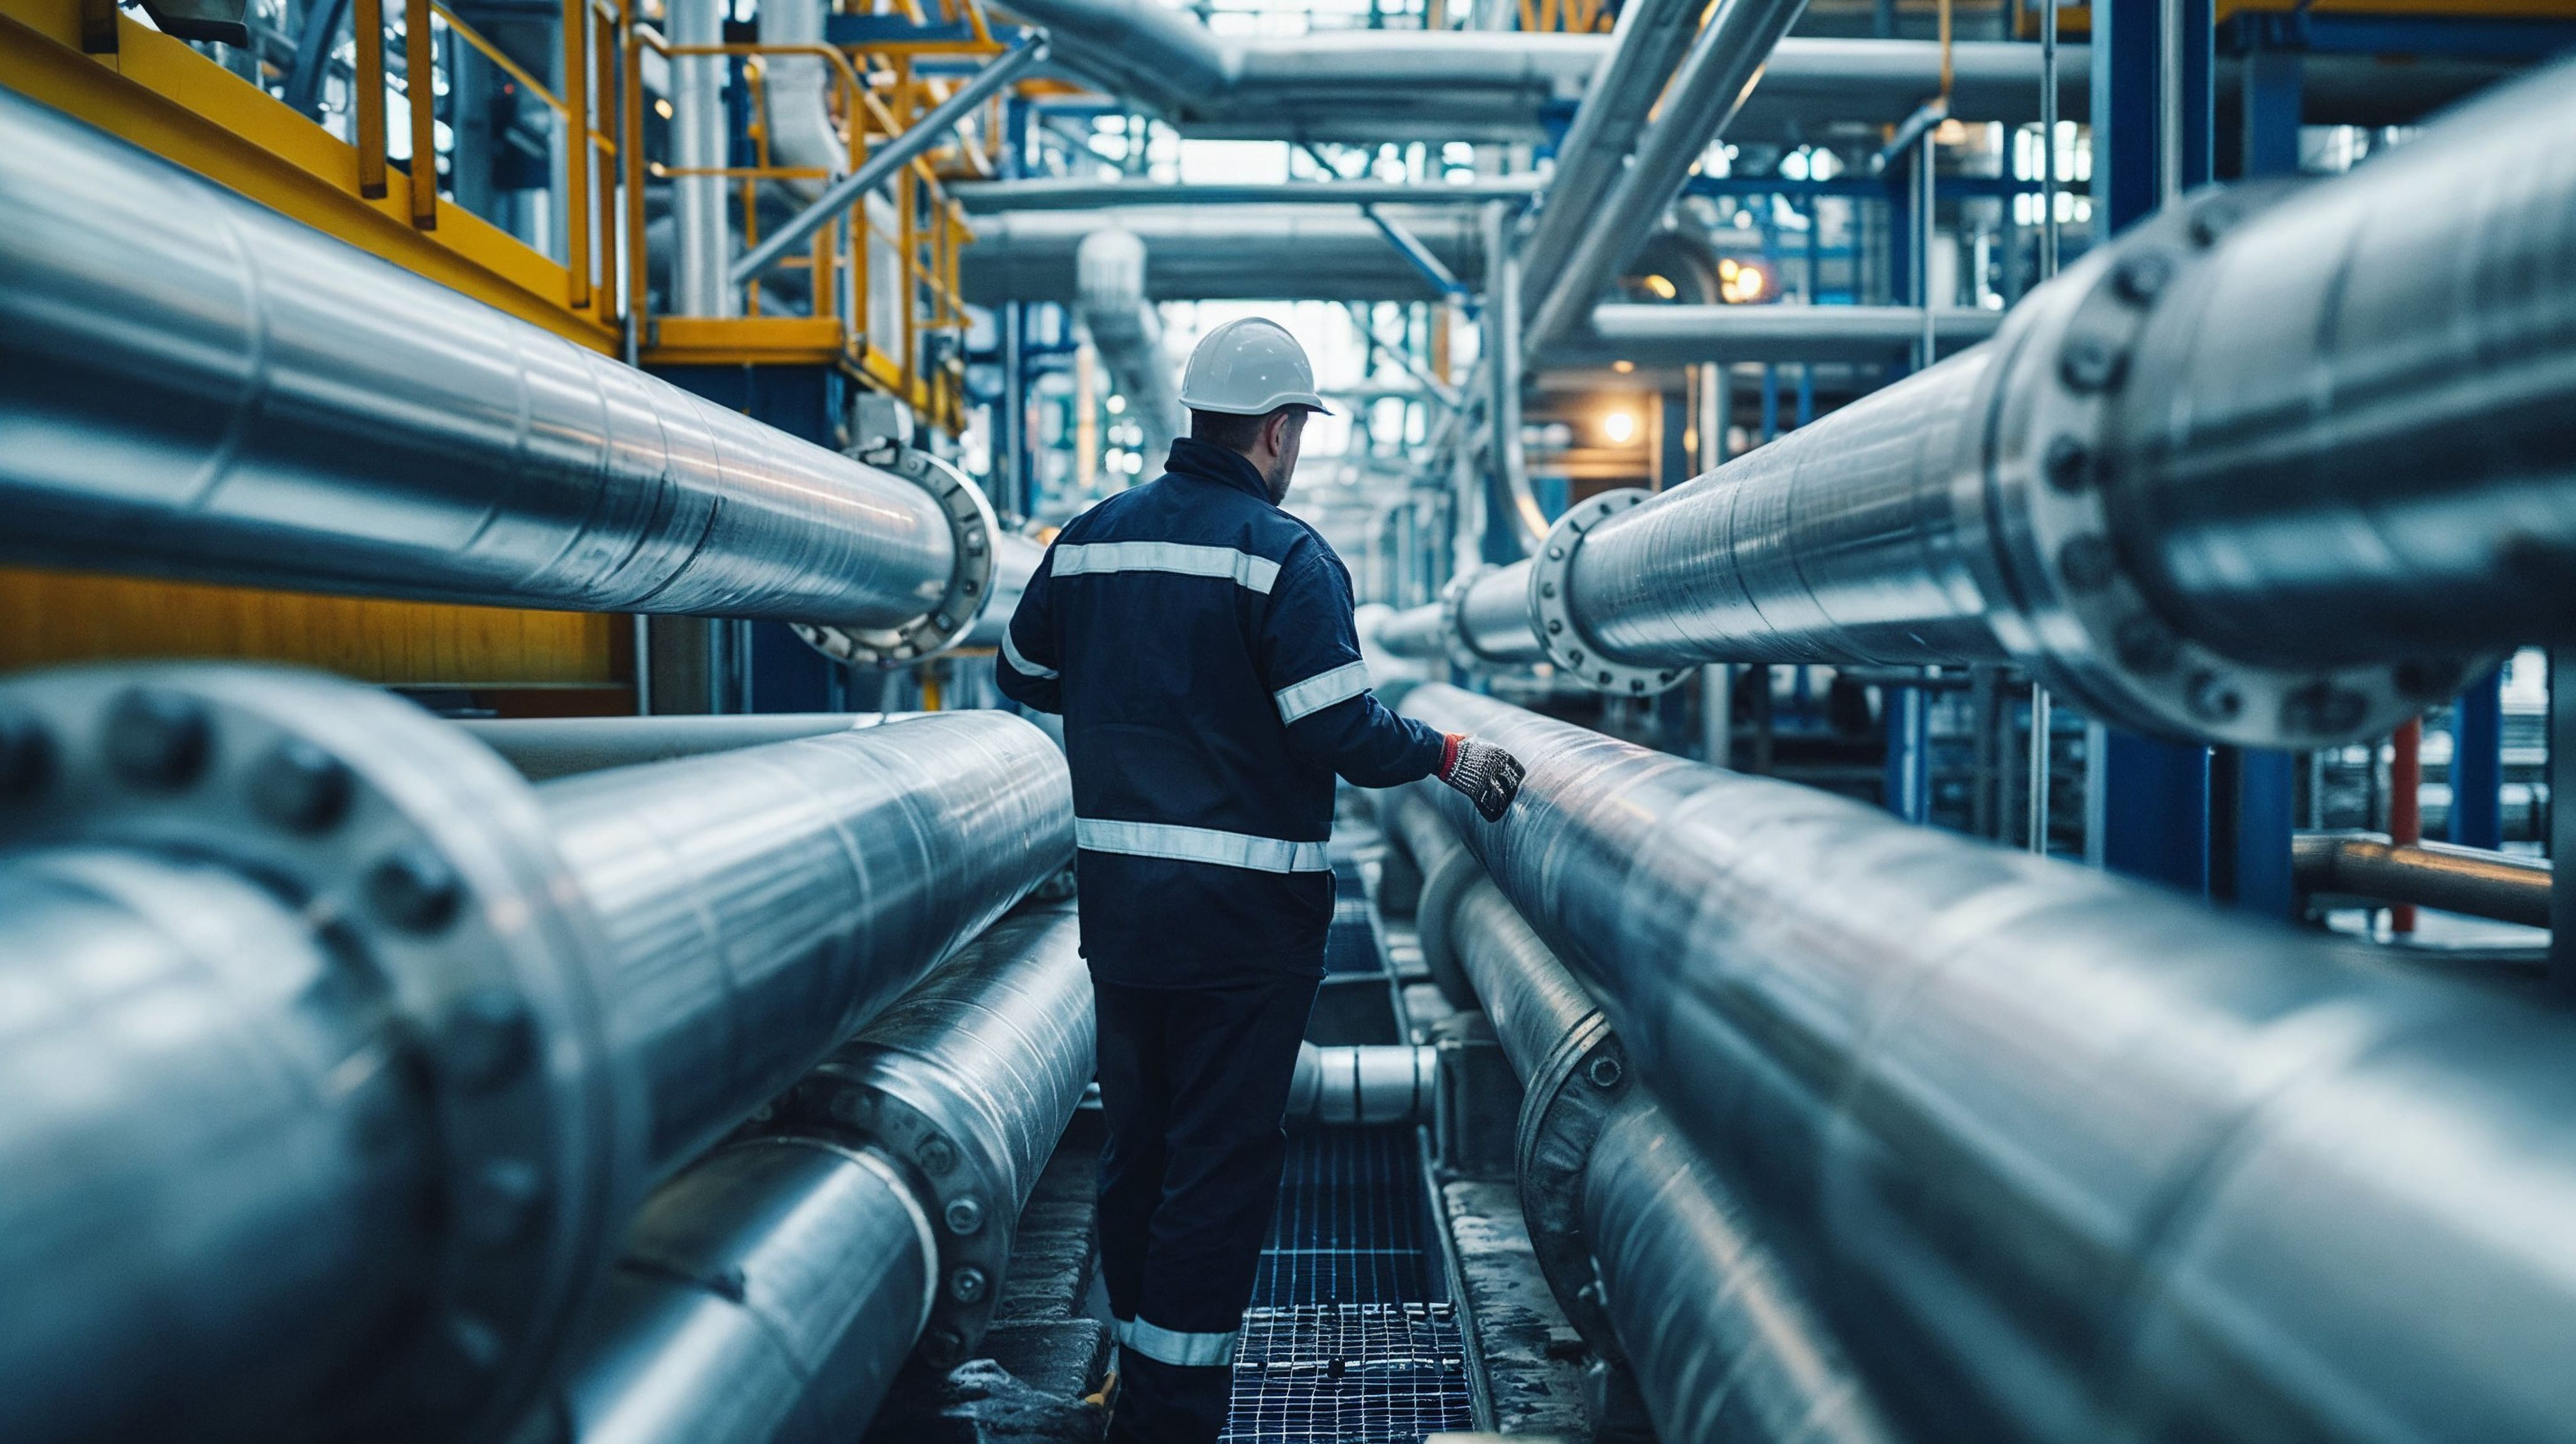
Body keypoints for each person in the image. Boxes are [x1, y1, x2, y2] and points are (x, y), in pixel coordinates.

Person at [994, 316, 1523, 1443]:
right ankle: (1173, 1417)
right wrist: (1449, 756)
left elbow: (1025, 670)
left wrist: (1137, 698)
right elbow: (1339, 725)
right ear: (1279, 431)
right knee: (1218, 1168)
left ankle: (1132, 1383)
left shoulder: (1089, 540)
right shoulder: (1285, 557)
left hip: (1124, 916)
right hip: (1243, 928)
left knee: (1140, 1147)